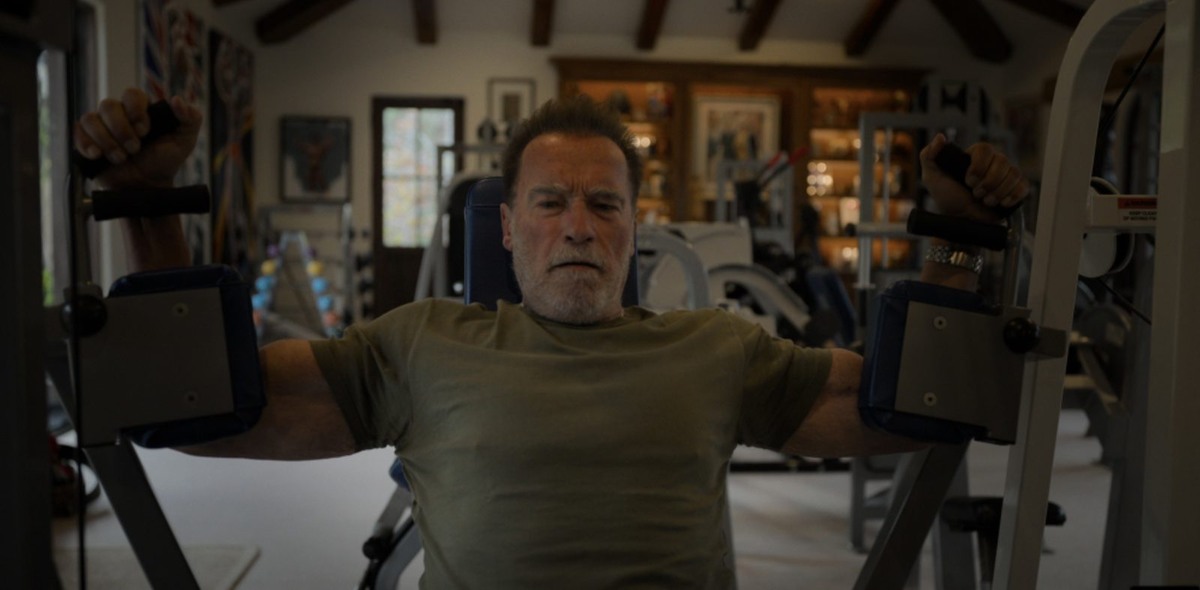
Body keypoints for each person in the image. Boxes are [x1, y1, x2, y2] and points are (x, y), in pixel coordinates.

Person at [74, 88, 1028, 589]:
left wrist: (957, 237)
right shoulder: (420, 343)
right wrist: (146, 202)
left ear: (633, 228)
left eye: (603, 204)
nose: (577, 226)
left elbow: (911, 407)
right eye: (550, 202)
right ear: (506, 227)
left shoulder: (717, 349)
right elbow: (198, 412)